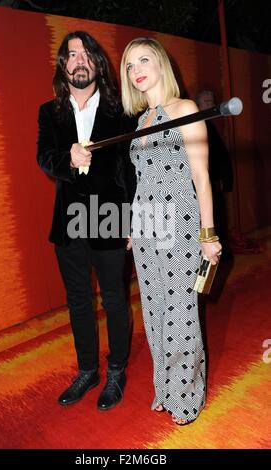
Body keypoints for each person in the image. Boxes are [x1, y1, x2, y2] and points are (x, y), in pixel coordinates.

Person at [120, 38, 221, 425]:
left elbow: (202, 176)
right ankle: (165, 387)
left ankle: (186, 397)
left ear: (161, 63)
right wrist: (134, 226)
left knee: (180, 314)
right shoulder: (140, 121)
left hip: (179, 223)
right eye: (129, 65)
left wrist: (208, 234)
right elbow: (142, 180)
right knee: (155, 311)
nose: (136, 69)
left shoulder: (186, 109)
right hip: (146, 231)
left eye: (144, 59)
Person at [37, 31, 135, 411]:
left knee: (113, 299)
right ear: (64, 65)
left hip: (110, 216)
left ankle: (116, 370)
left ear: (97, 62)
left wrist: (131, 219)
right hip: (68, 220)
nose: (79, 60)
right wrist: (67, 160)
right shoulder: (50, 112)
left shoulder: (120, 111)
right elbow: (44, 157)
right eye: (71, 54)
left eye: (85, 53)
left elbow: (129, 170)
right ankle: (87, 369)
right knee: (78, 299)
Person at [196, 90, 234, 259]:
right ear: (197, 105)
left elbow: (221, 156)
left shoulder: (211, 126)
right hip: (202, 188)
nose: (210, 105)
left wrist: (226, 180)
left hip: (214, 186)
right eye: (206, 101)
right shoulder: (198, 126)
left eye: (212, 101)